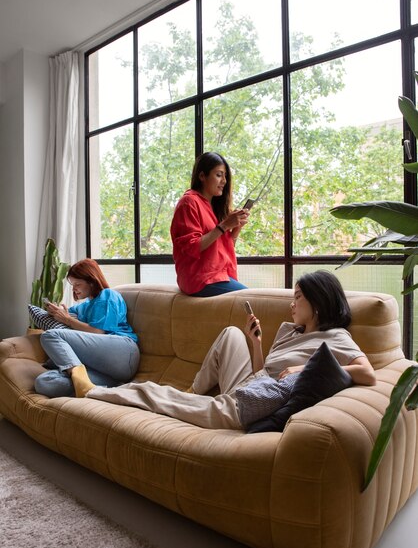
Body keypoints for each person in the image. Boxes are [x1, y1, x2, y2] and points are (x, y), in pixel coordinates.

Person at [72, 271, 376, 430]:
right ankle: (193, 392)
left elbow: (367, 373)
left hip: (253, 401)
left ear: (319, 302)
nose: (292, 304)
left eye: (298, 297)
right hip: (253, 384)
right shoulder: (290, 330)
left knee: (153, 392)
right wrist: (255, 343)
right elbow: (262, 372)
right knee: (232, 334)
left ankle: (92, 392)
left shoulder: (335, 337)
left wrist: (305, 368)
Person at [34, 258, 140, 398]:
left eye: (77, 284)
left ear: (91, 281)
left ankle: (82, 381)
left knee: (50, 335)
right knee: (45, 382)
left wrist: (67, 319)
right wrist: (56, 312)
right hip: (107, 370)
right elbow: (67, 316)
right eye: (72, 284)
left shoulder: (108, 295)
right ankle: (101, 384)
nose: (74, 288)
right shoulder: (83, 306)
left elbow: (98, 332)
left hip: (124, 353)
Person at [170, 151, 249, 296]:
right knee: (251, 299)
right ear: (202, 176)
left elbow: (221, 249)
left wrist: (235, 229)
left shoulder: (213, 207)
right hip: (200, 279)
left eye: (225, 176)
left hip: (218, 276)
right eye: (219, 175)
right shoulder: (188, 203)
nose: (224, 181)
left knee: (252, 301)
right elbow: (192, 246)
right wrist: (224, 226)